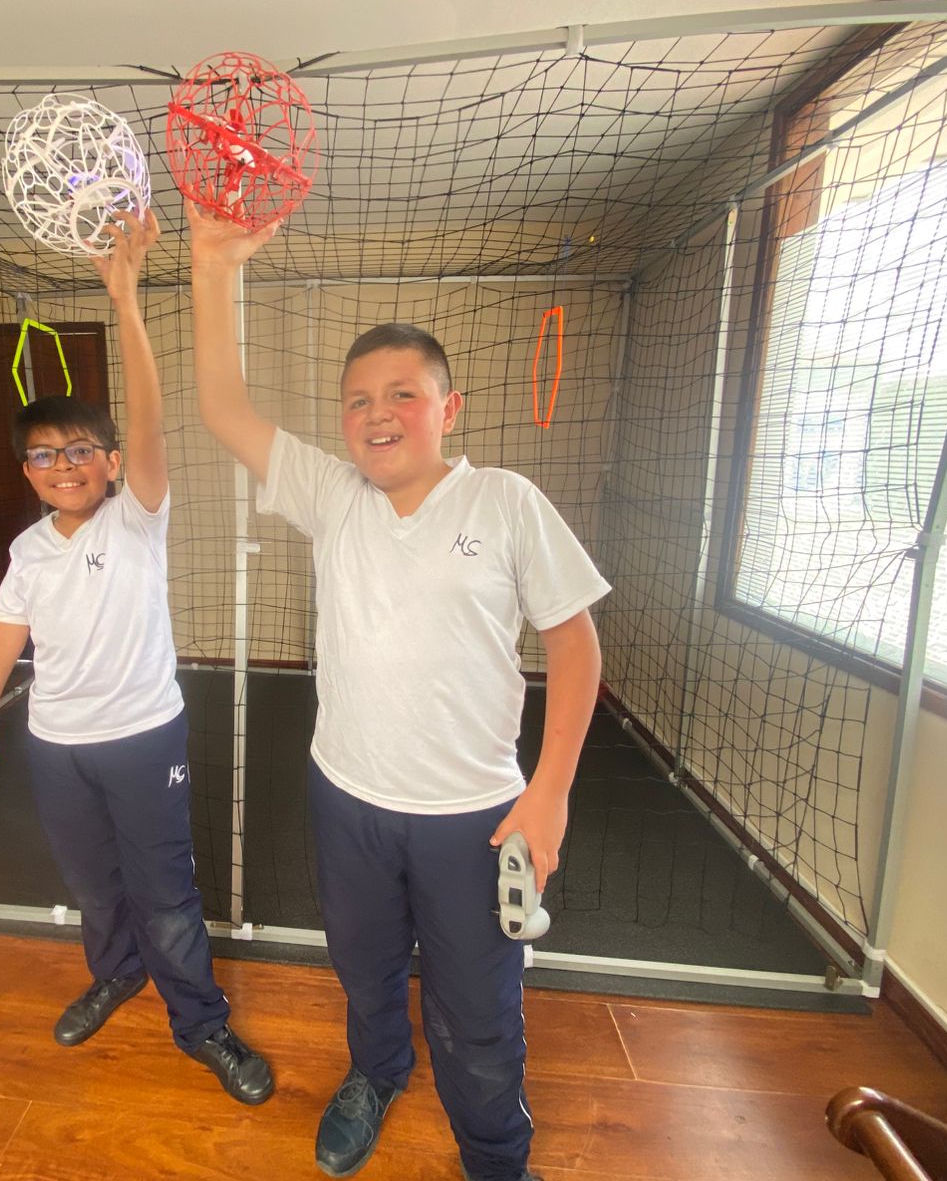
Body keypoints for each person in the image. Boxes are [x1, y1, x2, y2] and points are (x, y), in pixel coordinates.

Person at [188, 201, 608, 1181]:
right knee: (367, 975)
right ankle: (375, 1073)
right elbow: (223, 409)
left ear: (447, 407)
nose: (377, 413)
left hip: (474, 817)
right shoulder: (333, 496)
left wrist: (545, 792)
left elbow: (577, 648)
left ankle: (496, 1156)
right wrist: (214, 269)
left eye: (403, 393)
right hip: (348, 801)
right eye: (358, 399)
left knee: (477, 1010)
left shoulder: (503, 500)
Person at [0, 210, 273, 1106]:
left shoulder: (138, 517)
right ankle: (115, 973)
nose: (62, 464)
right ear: (26, 472)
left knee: (165, 891)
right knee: (96, 887)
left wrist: (126, 302)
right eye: (42, 455)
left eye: (78, 451)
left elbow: (149, 421)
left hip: (142, 738)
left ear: (106, 463)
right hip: (58, 746)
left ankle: (202, 1024)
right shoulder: (29, 551)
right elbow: (5, 637)